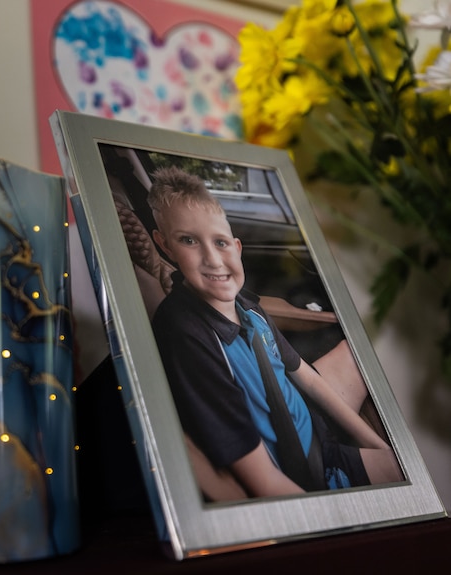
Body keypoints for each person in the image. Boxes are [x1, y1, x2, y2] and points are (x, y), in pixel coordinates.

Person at [146, 166, 403, 499]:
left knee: (367, 346)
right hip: (311, 471)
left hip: (313, 427)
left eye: (220, 242)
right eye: (189, 240)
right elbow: (264, 481)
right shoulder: (186, 334)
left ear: (237, 247)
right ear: (164, 245)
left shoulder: (248, 308)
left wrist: (377, 445)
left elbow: (304, 377)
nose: (212, 259)